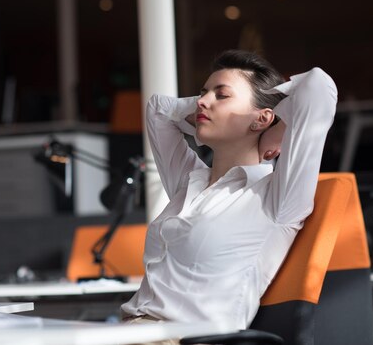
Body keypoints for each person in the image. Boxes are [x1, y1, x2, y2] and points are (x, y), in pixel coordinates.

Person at [121, 50, 338, 343]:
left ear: (261, 118)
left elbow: (318, 86)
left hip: (185, 339)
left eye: (222, 95)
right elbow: (158, 109)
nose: (202, 101)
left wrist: (279, 127)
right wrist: (225, 107)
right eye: (203, 92)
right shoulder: (189, 182)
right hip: (129, 329)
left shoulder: (276, 199)